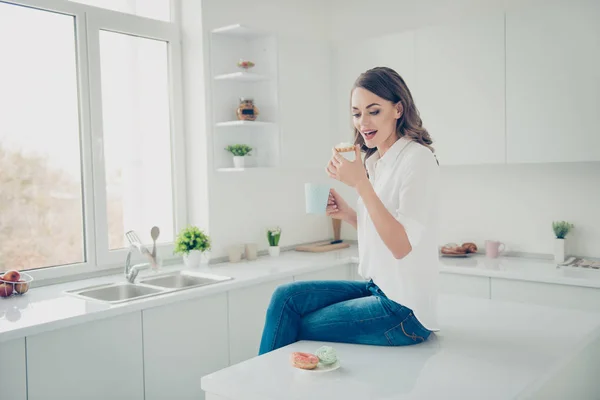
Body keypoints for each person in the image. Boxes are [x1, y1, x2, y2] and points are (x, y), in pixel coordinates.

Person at [258, 67, 440, 356]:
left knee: (300, 324)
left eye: (374, 111)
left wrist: (359, 183)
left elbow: (401, 246)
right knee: (286, 298)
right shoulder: (376, 161)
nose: (363, 123)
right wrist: (348, 215)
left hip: (404, 310)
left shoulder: (418, 159)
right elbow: (383, 229)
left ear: (398, 109)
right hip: (378, 289)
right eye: (356, 113)